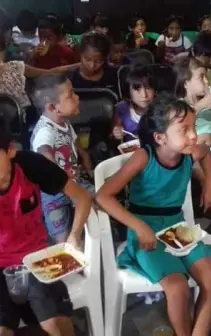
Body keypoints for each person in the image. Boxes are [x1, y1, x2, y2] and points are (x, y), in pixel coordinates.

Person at [96, 94, 211, 336]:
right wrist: (138, 226)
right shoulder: (145, 157)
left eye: (193, 127)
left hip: (177, 227)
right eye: (184, 130)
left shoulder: (189, 153)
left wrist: (209, 183)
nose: (194, 135)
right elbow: (102, 196)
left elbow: (206, 151)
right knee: (177, 287)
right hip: (145, 230)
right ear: (160, 137)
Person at [0, 118, 91, 336]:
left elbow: (83, 198)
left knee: (55, 326)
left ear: (11, 151)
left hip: (36, 261)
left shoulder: (31, 165)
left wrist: (74, 237)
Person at [31, 75, 94, 244]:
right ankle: (67, 257)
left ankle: (93, 241)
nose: (77, 97)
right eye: (71, 94)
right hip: (53, 192)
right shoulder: (45, 130)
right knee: (61, 236)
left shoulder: (64, 123)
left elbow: (77, 146)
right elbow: (43, 151)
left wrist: (88, 166)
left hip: (74, 183)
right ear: (53, 107)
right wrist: (59, 173)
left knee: (98, 202)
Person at [0, 34, 80, 109]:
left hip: (25, 118)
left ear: (4, 51)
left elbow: (49, 73)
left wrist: (80, 65)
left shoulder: (16, 67)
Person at [112, 65, 157, 141]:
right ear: (128, 91)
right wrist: (116, 133)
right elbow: (113, 135)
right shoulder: (122, 109)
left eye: (148, 88)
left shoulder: (162, 108)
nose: (144, 95)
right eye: (137, 89)